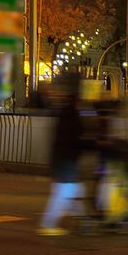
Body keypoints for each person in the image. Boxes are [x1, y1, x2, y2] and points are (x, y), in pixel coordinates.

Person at [39, 84, 86, 236]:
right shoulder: (73, 117)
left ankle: (83, 219)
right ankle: (48, 224)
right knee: (65, 193)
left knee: (74, 190)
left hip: (62, 160)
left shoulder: (65, 115)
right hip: (67, 160)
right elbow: (76, 140)